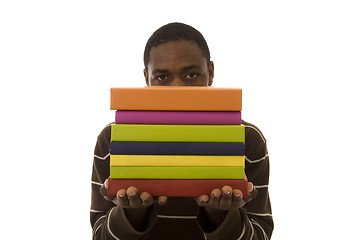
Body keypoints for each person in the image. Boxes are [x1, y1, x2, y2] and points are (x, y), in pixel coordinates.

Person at [90, 22, 273, 239]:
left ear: (210, 73)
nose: (177, 89)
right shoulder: (114, 138)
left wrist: (221, 216)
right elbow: (99, 235)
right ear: (147, 79)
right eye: (162, 77)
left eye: (191, 75)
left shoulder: (247, 138)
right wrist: (131, 214)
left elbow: (261, 234)